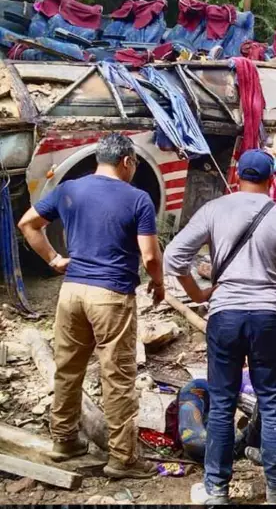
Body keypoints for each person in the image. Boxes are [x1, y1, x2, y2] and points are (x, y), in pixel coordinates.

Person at [164, 149, 276, 505]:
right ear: (272, 180)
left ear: (237, 177)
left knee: (223, 402)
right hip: (268, 317)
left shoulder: (215, 209)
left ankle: (216, 490)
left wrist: (198, 292)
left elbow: (173, 257)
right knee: (272, 403)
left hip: (225, 316)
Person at [17, 132, 164, 478]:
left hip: (72, 293)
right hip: (110, 295)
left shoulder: (69, 189)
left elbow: (28, 223)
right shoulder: (138, 199)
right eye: (135, 164)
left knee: (68, 369)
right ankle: (123, 458)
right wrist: (157, 283)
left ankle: (64, 440)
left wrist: (54, 259)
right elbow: (149, 255)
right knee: (118, 376)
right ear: (127, 162)